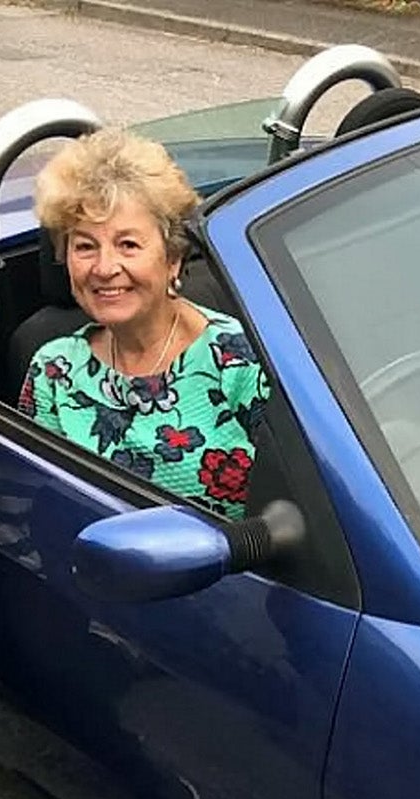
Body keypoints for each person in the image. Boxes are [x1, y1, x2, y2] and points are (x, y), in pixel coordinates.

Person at [17, 129, 267, 517]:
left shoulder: (240, 361)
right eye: (84, 246)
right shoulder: (54, 370)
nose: (104, 268)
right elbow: (41, 506)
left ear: (173, 259)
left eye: (128, 245)